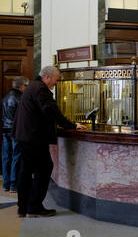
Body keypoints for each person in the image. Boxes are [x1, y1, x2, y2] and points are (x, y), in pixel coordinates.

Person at [12, 66, 86, 218]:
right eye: (56, 79)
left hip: (24, 136)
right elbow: (52, 110)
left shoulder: (32, 86)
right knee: (44, 169)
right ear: (47, 77)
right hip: (34, 137)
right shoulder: (41, 89)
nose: (57, 82)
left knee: (25, 172)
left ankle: (23, 207)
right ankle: (34, 208)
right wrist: (71, 125)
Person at [2, 76, 29, 192]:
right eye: (27, 86)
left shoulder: (6, 97)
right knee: (16, 157)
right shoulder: (21, 98)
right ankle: (14, 185)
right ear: (22, 86)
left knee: (6, 157)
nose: (27, 88)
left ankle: (6, 184)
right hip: (15, 131)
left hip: (5, 130)